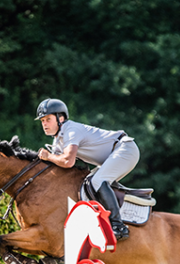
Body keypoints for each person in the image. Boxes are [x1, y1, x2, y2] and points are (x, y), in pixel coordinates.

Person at [35, 98, 139, 241]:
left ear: (60, 118)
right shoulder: (58, 139)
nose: (45, 124)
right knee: (87, 185)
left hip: (125, 149)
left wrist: (48, 156)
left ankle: (118, 226)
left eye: (48, 119)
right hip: (113, 156)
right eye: (42, 121)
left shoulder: (71, 130)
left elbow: (67, 161)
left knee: (98, 181)